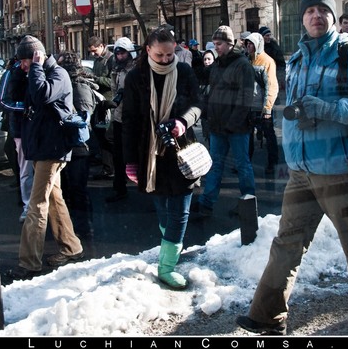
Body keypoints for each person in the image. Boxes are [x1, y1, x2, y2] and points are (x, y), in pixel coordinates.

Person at [236, 0, 348, 335]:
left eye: (323, 10)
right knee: (287, 242)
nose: (316, 16)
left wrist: (330, 109)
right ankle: (267, 315)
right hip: (301, 172)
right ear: (302, 19)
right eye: (310, 11)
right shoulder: (297, 59)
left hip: (339, 168)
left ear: (333, 18)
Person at [121, 27, 203, 289]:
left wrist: (182, 122)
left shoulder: (184, 71)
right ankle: (171, 247)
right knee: (162, 207)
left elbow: (198, 105)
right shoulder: (136, 77)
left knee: (180, 211)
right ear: (148, 50)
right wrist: (130, 161)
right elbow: (129, 120)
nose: (166, 59)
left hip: (181, 151)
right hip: (150, 155)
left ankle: (166, 266)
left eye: (170, 54)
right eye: (160, 55)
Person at [9, 35, 85, 280]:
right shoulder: (34, 73)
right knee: (53, 199)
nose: (22, 66)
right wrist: (21, 71)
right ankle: (71, 247)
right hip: (42, 146)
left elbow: (42, 96)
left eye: (24, 61)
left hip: (52, 149)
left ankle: (29, 262)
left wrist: (36, 68)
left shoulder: (58, 74)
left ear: (35, 57)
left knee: (37, 205)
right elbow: (16, 93)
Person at [191, 25, 257, 219]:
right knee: (215, 165)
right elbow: (211, 89)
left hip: (237, 128)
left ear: (230, 44)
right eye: (214, 44)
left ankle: (248, 203)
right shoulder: (217, 64)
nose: (215, 47)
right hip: (218, 126)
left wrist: (233, 123)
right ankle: (206, 203)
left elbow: (246, 98)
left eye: (219, 44)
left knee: (243, 165)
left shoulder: (242, 65)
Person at [57, 50, 99, 238]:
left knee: (78, 189)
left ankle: (85, 227)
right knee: (68, 189)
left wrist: (61, 119)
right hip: (66, 144)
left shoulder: (79, 86)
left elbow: (84, 116)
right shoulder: (64, 84)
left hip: (79, 146)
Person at [0, 54, 34, 223]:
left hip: (40, 128)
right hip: (20, 128)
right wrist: (26, 108)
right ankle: (28, 207)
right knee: (25, 170)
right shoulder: (10, 74)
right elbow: (3, 102)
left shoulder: (39, 70)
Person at [104, 37, 138, 203]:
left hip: (135, 118)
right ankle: (119, 188)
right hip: (119, 117)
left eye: (123, 53)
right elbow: (114, 90)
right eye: (117, 53)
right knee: (118, 155)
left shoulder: (136, 69)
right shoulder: (116, 69)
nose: (119, 56)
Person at [244, 32, 280, 175]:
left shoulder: (267, 61)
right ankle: (245, 163)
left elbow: (271, 86)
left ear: (258, 45)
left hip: (261, 106)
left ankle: (272, 163)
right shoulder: (246, 60)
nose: (248, 46)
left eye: (251, 43)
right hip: (248, 106)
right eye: (247, 43)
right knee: (247, 137)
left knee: (269, 135)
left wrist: (267, 109)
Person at [88, 36, 115, 176]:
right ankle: (106, 165)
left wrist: (96, 79)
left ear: (102, 46)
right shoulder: (97, 60)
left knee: (107, 136)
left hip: (109, 103)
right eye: (91, 52)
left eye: (94, 51)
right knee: (100, 135)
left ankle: (109, 167)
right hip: (99, 101)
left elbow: (112, 82)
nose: (93, 54)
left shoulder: (111, 59)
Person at [259, 26, 286, 105]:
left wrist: (279, 75)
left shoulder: (274, 47)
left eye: (269, 35)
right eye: (266, 35)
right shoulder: (259, 46)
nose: (269, 37)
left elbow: (281, 62)